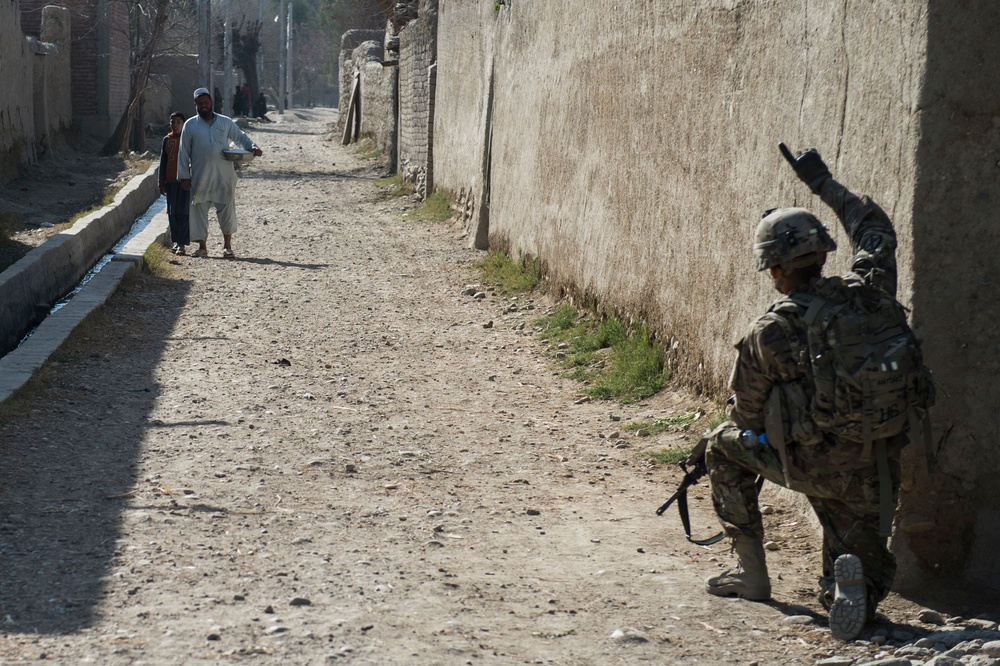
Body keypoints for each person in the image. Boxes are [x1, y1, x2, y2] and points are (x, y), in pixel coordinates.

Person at [699, 146, 932, 641]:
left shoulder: (772, 330)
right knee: (853, 567)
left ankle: (752, 575)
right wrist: (820, 181)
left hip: (809, 463)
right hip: (878, 467)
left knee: (721, 444)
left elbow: (748, 416)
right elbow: (874, 228)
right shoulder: (874, 290)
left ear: (775, 270)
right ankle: (851, 586)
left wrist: (778, 433)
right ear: (825, 253)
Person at [177, 87, 263, 259]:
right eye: (200, 103)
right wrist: (184, 176)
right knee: (198, 210)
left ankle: (227, 246)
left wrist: (252, 147)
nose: (203, 106)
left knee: (227, 209)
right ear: (195, 105)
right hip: (200, 176)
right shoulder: (190, 125)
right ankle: (202, 247)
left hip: (224, 176)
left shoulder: (225, 122)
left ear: (211, 103)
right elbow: (183, 152)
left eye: (206, 102)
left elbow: (240, 137)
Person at [157, 112, 190, 255]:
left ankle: (182, 244)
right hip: (170, 182)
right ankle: (176, 241)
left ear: (183, 124)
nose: (175, 125)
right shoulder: (167, 140)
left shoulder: (188, 139)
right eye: (173, 122)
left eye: (178, 122)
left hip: (184, 182)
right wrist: (161, 181)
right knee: (172, 212)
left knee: (183, 212)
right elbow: (163, 161)